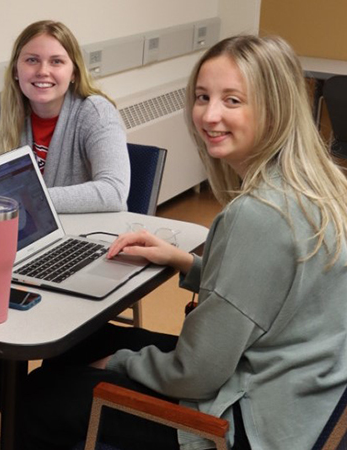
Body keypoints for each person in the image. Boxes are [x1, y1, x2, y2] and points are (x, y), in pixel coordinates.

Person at [22, 35, 347, 450]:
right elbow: (272, 293)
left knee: (40, 396)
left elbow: (198, 372)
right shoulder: (319, 185)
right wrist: (185, 262)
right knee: (88, 343)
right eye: (202, 96)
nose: (209, 115)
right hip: (300, 399)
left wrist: (118, 364)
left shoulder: (259, 215)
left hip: (245, 425)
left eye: (233, 100)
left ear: (275, 107)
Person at [0, 20, 129, 214]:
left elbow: (113, 192)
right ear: (16, 71)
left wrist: (21, 198)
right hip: (26, 230)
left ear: (74, 73)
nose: (43, 71)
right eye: (32, 60)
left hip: (83, 233)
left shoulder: (96, 113)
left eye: (56, 61)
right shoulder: (0, 107)